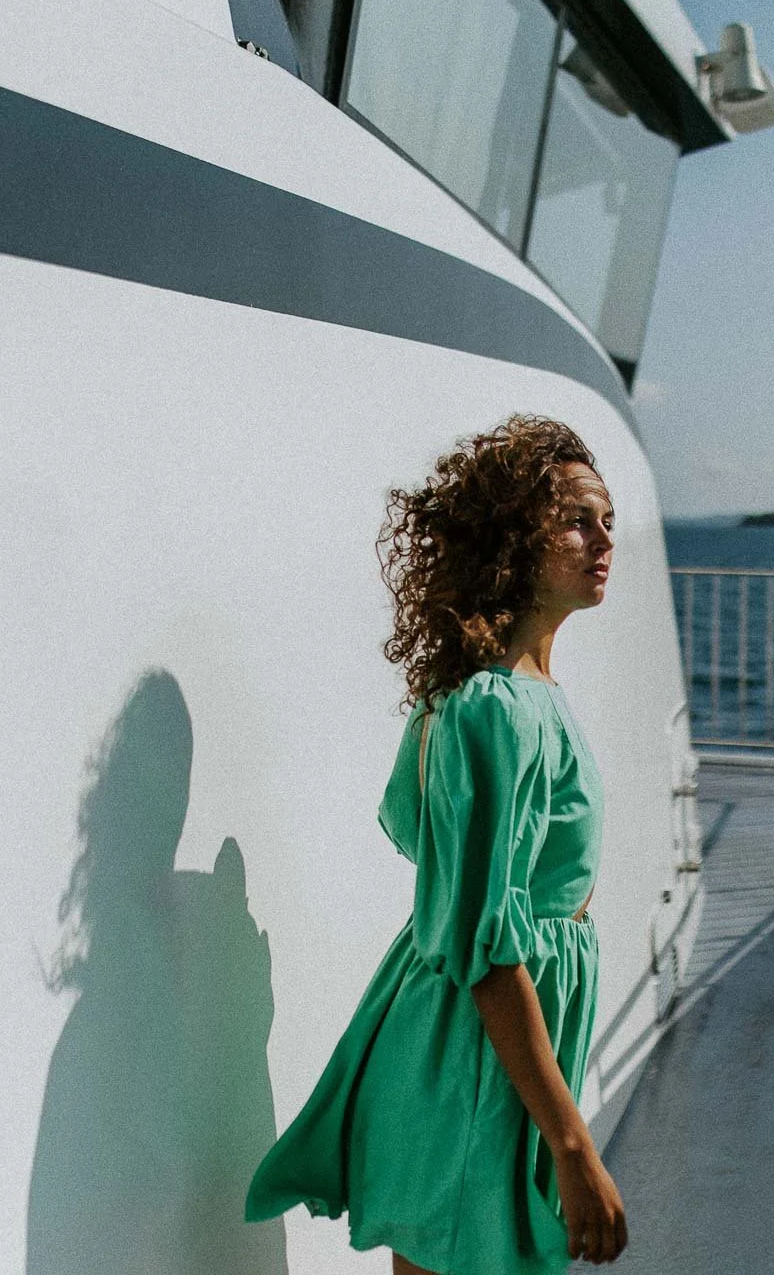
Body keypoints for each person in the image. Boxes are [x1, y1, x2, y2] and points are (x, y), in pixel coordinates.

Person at [244, 415, 627, 1273]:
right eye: (576, 520)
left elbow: (436, 852)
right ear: (513, 540)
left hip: (485, 1052)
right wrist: (572, 1150)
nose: (603, 539)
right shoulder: (493, 708)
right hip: (477, 1061)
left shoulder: (511, 693)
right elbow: (489, 951)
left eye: (608, 520)